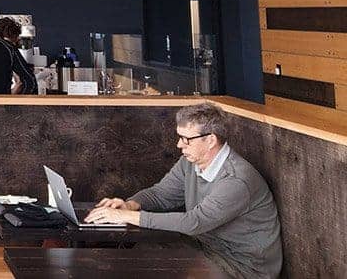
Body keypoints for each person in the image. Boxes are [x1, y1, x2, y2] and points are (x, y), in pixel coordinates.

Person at [85, 103, 282, 279]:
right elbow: (161, 194)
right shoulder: (190, 163)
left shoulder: (236, 180)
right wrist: (130, 204)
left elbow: (193, 222)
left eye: (186, 139)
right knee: (140, 256)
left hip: (243, 267)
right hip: (204, 248)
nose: (179, 145)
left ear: (211, 140)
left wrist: (126, 216)